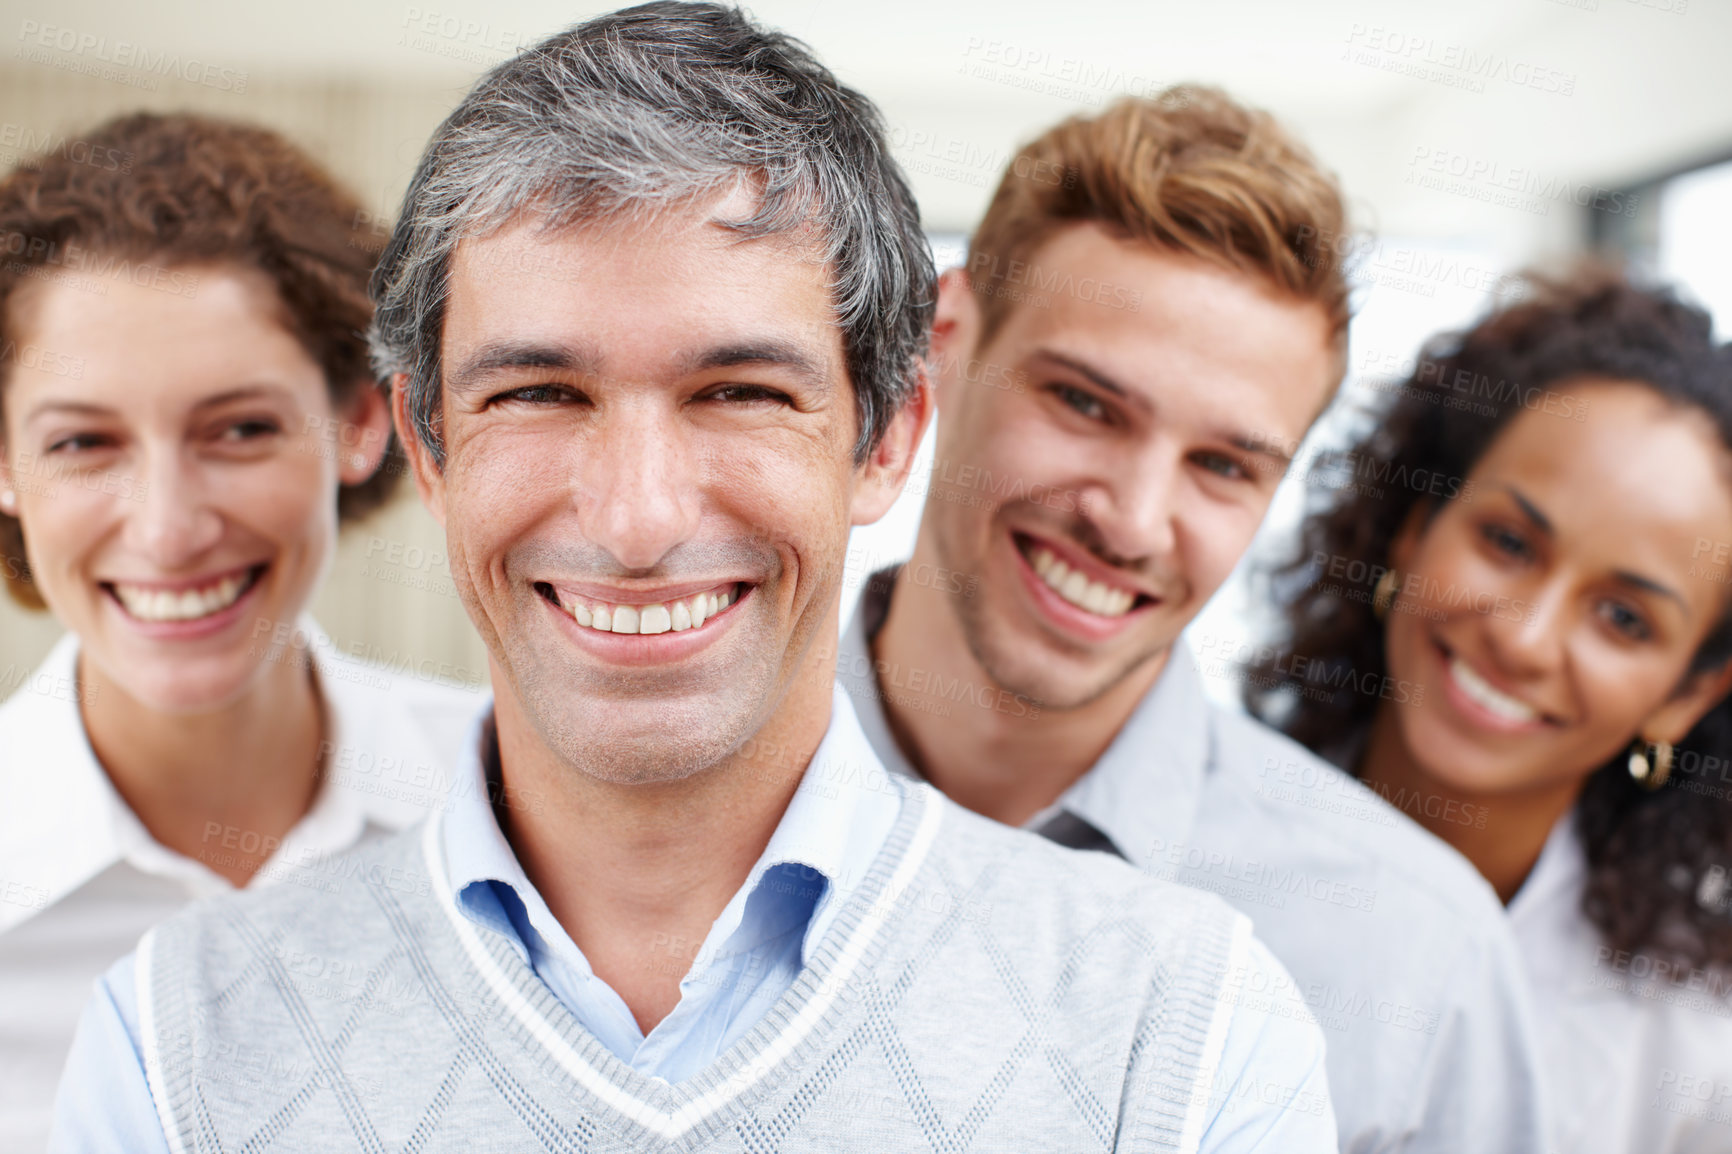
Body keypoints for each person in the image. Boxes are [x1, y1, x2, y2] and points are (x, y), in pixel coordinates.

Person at [46, 6, 1340, 1151]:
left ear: (887, 434)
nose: (636, 517)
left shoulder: (1180, 1032)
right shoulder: (180, 1051)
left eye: (739, 391)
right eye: (541, 391)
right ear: (427, 441)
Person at [841, 90, 1550, 1152]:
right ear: (944, 340)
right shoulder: (645, 801)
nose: (1129, 522)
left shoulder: (1413, 950)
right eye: (1083, 402)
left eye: (1221, 464)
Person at [0, 111, 483, 1150]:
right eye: (84, 440)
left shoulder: (526, 807)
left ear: (360, 419)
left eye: (242, 428)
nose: (168, 526)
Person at [1248, 271, 1732, 1154]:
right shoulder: (1156, 847)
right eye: (1508, 543)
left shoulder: (1694, 1059)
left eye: (1624, 618)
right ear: (1413, 528)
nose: (1526, 640)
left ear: (1685, 695)